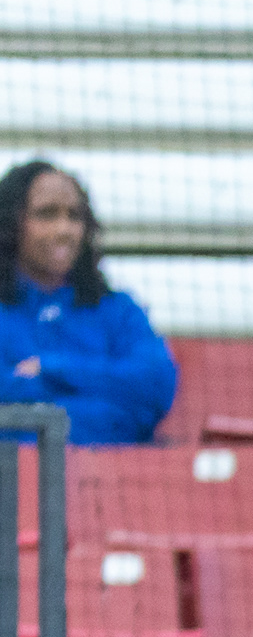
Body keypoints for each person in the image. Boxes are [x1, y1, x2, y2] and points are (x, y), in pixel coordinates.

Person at [0, 158, 174, 448]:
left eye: (74, 216)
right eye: (46, 214)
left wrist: (52, 370)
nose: (64, 229)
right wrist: (101, 402)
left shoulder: (118, 311)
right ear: (10, 224)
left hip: (114, 474)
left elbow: (155, 384)